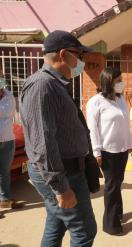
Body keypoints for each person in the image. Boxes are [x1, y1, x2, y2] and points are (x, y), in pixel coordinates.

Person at [20, 30, 97, 246]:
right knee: (84, 231)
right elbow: (42, 143)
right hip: (63, 173)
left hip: (68, 170)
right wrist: (61, 187)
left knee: (56, 225)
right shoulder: (42, 86)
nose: (82, 61)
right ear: (63, 54)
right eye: (79, 55)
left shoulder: (55, 84)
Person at [86, 67, 132, 235]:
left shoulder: (120, 99)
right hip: (107, 151)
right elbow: (92, 129)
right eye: (118, 80)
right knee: (112, 186)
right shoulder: (95, 102)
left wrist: (130, 143)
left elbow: (124, 124)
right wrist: (96, 152)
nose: (122, 83)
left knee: (118, 182)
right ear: (108, 82)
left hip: (121, 150)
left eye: (121, 80)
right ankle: (110, 225)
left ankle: (118, 213)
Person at [0, 72, 23, 209]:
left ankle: (5, 199)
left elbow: (8, 112)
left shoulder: (9, 96)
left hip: (8, 139)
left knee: (4, 171)